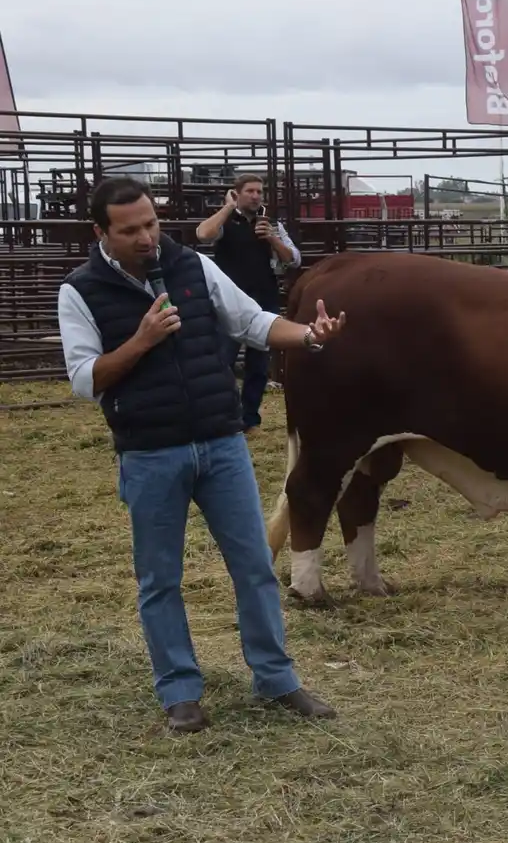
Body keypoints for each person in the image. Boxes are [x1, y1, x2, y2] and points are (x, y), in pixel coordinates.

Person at [57, 176, 348, 734]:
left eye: (151, 223)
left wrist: (309, 336)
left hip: (220, 443)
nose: (147, 237)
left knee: (255, 567)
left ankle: (277, 679)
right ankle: (180, 692)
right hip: (148, 454)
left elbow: (252, 322)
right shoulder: (80, 290)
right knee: (160, 579)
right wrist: (141, 340)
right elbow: (84, 380)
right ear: (101, 232)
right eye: (130, 230)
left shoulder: (190, 265)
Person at [195, 173, 300, 433]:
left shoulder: (271, 223)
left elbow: (294, 259)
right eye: (250, 191)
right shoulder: (226, 220)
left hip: (264, 299)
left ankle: (249, 419)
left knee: (259, 365)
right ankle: (223, 417)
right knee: (223, 361)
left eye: (259, 192)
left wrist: (272, 238)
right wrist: (228, 207)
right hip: (227, 301)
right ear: (237, 193)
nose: (255, 196)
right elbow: (203, 234)